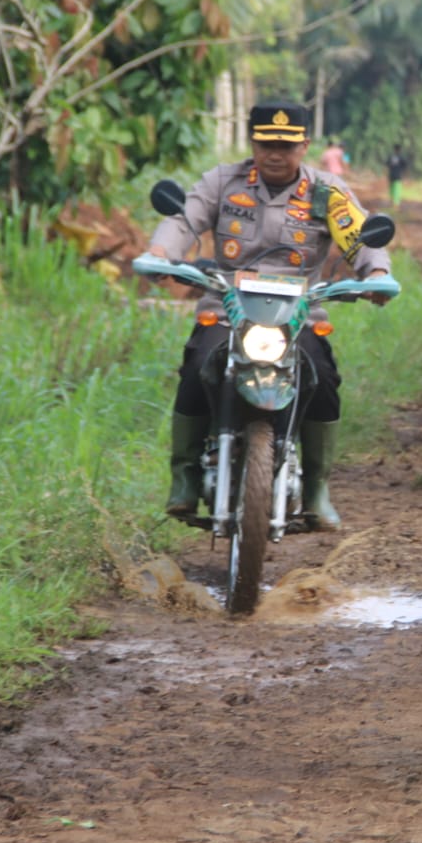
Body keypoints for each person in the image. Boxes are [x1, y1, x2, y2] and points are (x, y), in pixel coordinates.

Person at [147, 100, 394, 532]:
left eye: (286, 144)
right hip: (226, 308)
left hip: (298, 315)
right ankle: (184, 477)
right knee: (197, 366)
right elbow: (184, 221)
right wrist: (160, 254)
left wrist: (375, 273)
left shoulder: (326, 191)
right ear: (253, 142)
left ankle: (316, 488)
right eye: (266, 143)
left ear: (304, 145)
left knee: (322, 376)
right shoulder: (223, 181)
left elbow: (359, 235)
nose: (275, 153)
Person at [385, 143, 410, 208]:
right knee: (397, 190)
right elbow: (405, 165)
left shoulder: (391, 157)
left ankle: (392, 202)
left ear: (394, 149)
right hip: (398, 176)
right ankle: (396, 204)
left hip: (391, 175)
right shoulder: (401, 158)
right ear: (400, 150)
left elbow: (387, 164)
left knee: (392, 189)